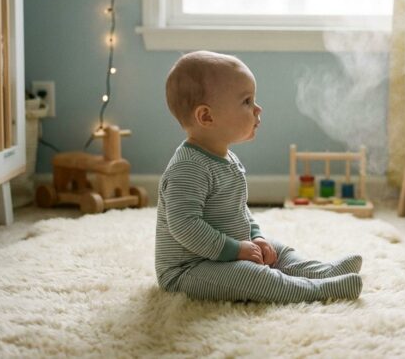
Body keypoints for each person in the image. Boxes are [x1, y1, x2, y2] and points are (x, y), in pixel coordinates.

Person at [156, 51, 363, 303]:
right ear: (207, 117)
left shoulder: (225, 158)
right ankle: (316, 291)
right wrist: (235, 250)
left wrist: (256, 237)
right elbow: (184, 226)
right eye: (246, 101)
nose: (257, 108)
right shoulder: (188, 168)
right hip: (190, 269)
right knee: (253, 277)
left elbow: (239, 210)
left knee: (277, 251)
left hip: (229, 248)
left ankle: (321, 272)